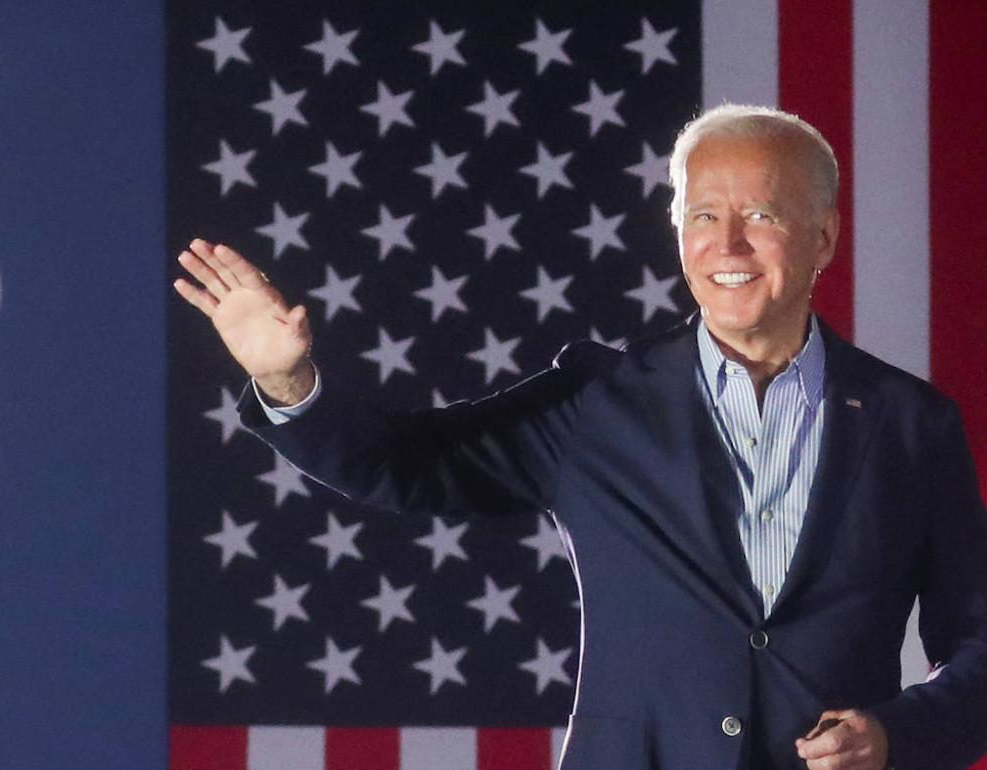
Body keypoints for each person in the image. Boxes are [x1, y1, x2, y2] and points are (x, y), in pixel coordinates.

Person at [173, 104, 987, 770]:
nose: (728, 245)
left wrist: (895, 737)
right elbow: (406, 466)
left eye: (761, 215)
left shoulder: (912, 425)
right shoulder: (597, 400)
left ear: (824, 238)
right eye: (703, 216)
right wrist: (289, 382)